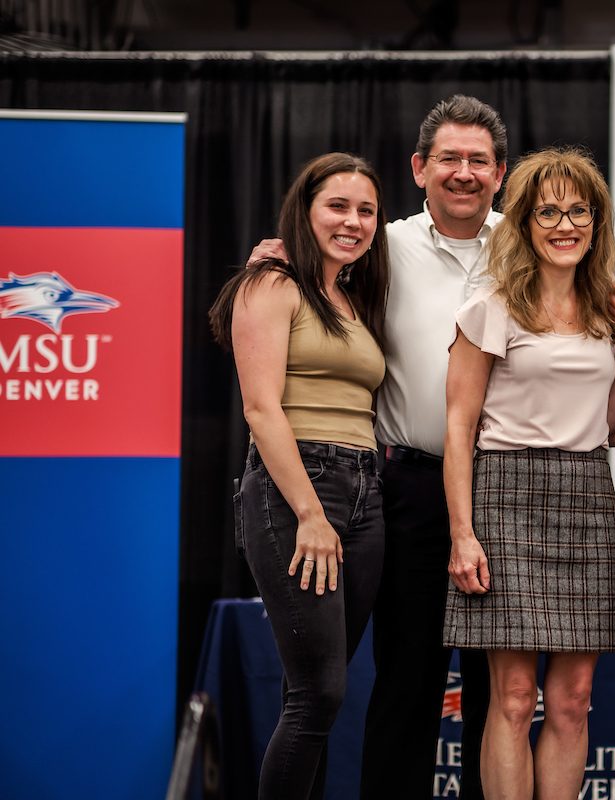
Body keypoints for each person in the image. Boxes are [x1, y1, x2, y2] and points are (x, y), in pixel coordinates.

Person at [247, 95, 507, 799]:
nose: (462, 173)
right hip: (408, 489)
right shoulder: (379, 243)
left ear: (500, 173)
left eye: (477, 161)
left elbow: (598, 297)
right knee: (408, 680)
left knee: (498, 692)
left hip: (508, 487)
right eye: (447, 159)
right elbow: (300, 283)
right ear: (420, 168)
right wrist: (272, 258)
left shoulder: (528, 246)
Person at [441, 146, 615, 800]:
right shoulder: (490, 307)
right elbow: (458, 429)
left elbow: (612, 421)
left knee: (575, 698)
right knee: (514, 697)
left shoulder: (613, 311)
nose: (564, 224)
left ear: (595, 221)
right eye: (548, 210)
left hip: (586, 494)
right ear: (523, 221)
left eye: (578, 210)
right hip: (504, 498)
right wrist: (463, 534)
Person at [210, 152, 390, 798]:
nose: (353, 221)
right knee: (318, 695)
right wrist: (311, 512)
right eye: (337, 206)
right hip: (297, 490)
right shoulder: (272, 286)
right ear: (303, 212)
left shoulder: (353, 297)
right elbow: (261, 409)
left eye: (366, 210)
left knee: (314, 693)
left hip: (367, 493)